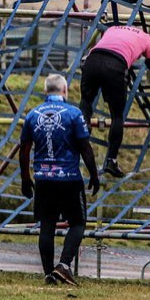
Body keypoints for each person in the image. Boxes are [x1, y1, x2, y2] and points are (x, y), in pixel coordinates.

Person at [19, 74, 100, 286]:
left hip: (43, 178)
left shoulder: (32, 115)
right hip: (69, 178)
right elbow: (85, 147)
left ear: (46, 91)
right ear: (65, 90)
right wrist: (94, 174)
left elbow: (24, 150)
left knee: (47, 225)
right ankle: (64, 265)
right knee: (78, 223)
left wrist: (25, 178)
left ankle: (48, 273)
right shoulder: (74, 114)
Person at [79, 25, 150, 178]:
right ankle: (111, 161)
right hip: (116, 64)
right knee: (116, 115)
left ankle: (80, 138)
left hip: (92, 60)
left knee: (86, 102)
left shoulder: (113, 28)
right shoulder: (146, 37)